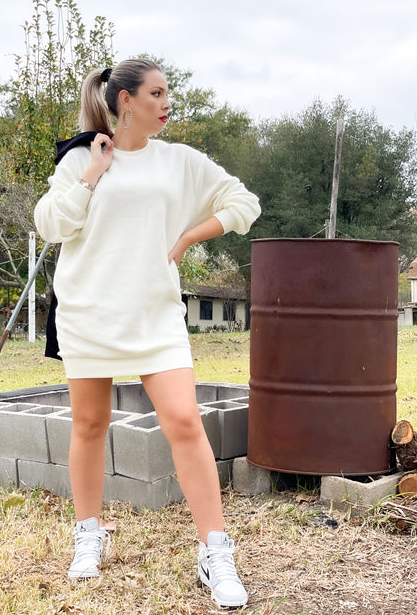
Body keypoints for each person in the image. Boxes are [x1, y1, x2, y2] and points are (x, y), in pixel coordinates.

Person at [34, 58, 260, 608]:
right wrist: (90, 174)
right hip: (90, 311)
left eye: (168, 94)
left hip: (156, 314)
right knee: (89, 424)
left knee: (184, 421)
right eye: (156, 93)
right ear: (125, 100)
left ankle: (215, 550)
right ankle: (88, 533)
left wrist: (185, 240)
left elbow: (244, 204)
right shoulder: (80, 159)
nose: (166, 103)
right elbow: (50, 225)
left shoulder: (180, 161)